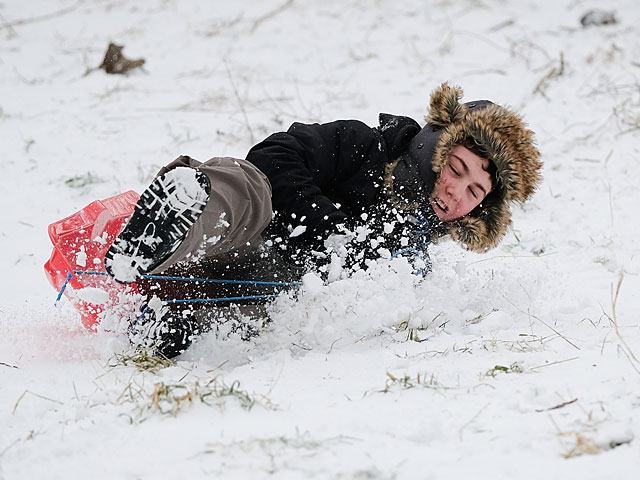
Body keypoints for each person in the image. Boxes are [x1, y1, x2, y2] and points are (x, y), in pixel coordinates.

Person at [104, 82, 543, 358]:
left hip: (237, 280)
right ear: (435, 147)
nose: (455, 191)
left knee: (284, 300)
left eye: (474, 193)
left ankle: (173, 318)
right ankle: (176, 211)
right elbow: (275, 153)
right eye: (456, 169)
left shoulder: (417, 245)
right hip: (243, 229)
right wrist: (331, 231)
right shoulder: (363, 145)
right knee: (249, 186)